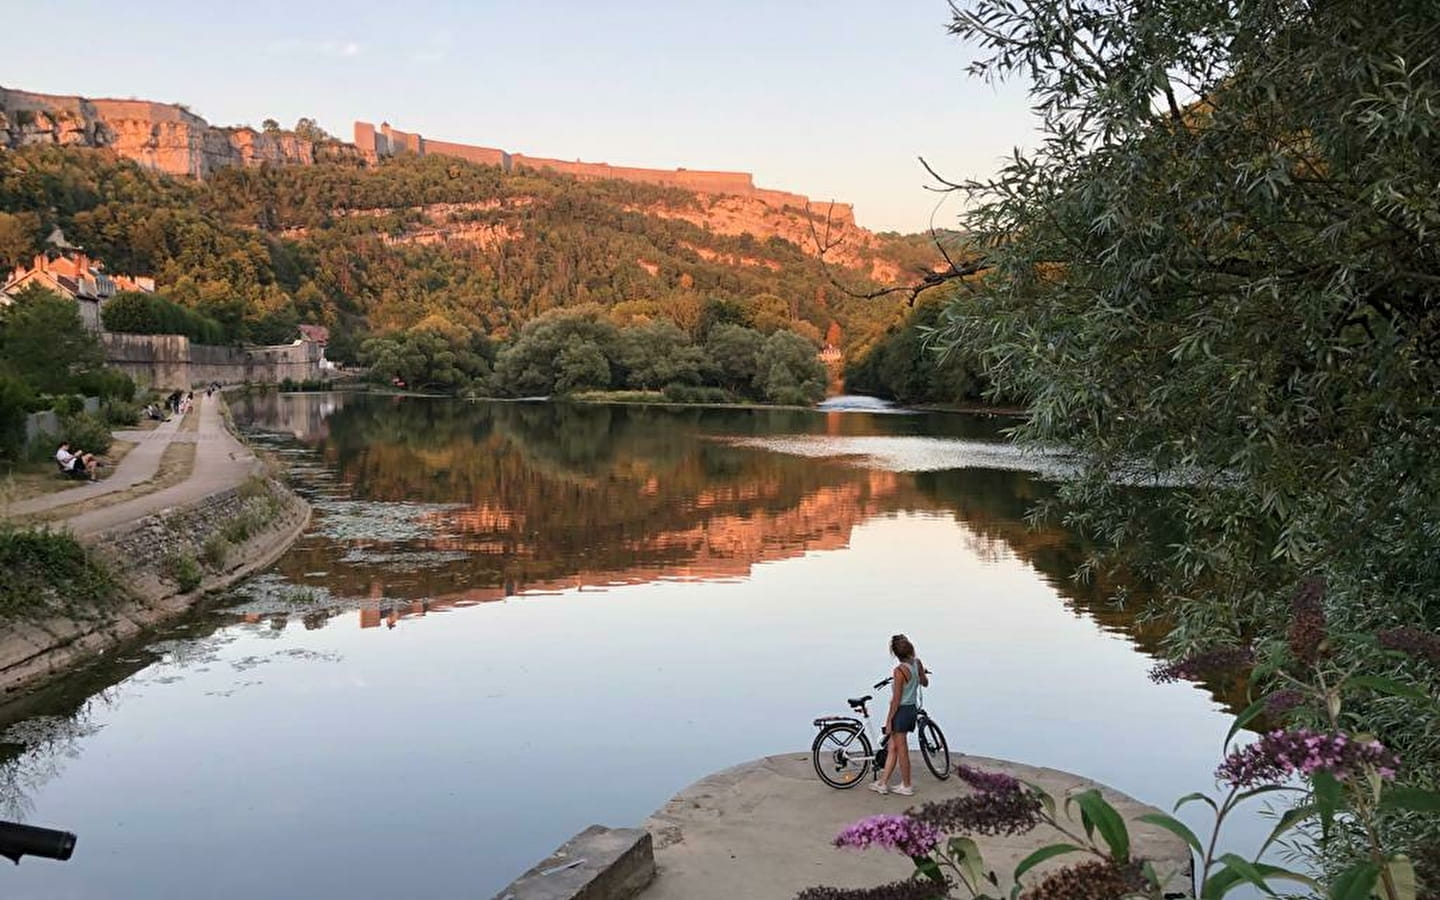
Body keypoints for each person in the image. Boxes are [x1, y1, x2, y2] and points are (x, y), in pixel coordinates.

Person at [870, 633, 929, 797]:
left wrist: (889, 721)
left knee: (902, 749)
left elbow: (896, 700)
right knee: (893, 747)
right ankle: (882, 783)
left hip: (901, 711)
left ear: (895, 654)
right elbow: (925, 683)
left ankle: (907, 785)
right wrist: (921, 674)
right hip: (912, 709)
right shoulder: (917, 664)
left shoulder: (899, 671)